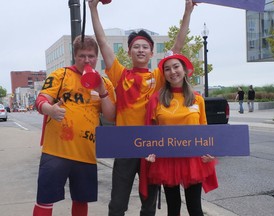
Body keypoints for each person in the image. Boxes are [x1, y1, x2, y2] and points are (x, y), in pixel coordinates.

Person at [88, 0, 196, 215]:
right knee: (117, 204)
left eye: (145, 46)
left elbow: (177, 47)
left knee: (149, 205)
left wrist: (188, 11)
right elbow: (102, 43)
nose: (140, 50)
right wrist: (93, 9)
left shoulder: (158, 76)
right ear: (128, 52)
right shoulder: (120, 74)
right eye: (136, 46)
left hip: (151, 148)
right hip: (125, 146)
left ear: (151, 52)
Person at [32, 35, 116, 216]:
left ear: (97, 57)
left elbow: (111, 116)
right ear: (74, 56)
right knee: (45, 199)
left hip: (86, 153)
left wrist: (102, 91)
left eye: (91, 56)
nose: (87, 60)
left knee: (81, 200)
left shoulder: (105, 82)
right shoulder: (61, 75)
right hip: (56, 151)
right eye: (82, 56)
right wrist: (50, 110)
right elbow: (41, 100)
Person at [140, 53, 218, 216]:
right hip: (167, 160)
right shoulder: (156, 99)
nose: (172, 72)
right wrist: (149, 151)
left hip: (193, 160)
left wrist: (210, 151)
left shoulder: (197, 99)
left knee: (195, 208)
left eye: (176, 67)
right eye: (167, 69)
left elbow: (204, 128)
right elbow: (150, 130)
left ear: (184, 70)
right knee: (173, 208)